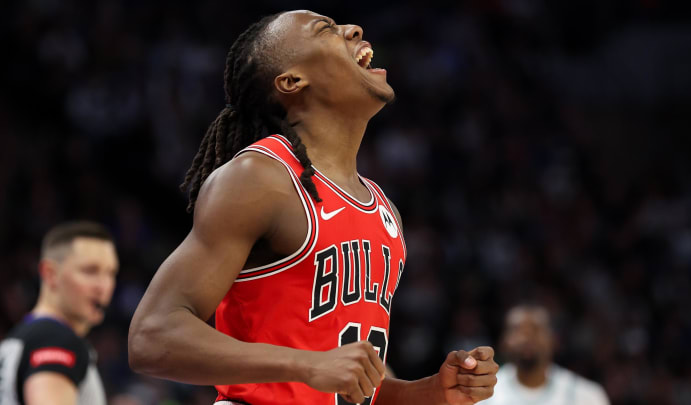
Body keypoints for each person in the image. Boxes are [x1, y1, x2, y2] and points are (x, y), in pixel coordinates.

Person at [128, 10, 498, 405]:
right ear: (291, 81)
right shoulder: (260, 178)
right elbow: (152, 336)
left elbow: (346, 387)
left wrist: (431, 392)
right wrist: (306, 364)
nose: (354, 28)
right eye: (326, 29)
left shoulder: (384, 209)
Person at [0, 221, 119, 405]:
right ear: (50, 273)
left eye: (111, 273)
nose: (104, 286)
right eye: (90, 271)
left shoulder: (19, 338)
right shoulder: (57, 340)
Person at [477, 305, 610, 405]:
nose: (527, 337)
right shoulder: (482, 396)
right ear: (503, 341)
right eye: (517, 330)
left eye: (536, 329)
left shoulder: (586, 395)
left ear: (554, 339)